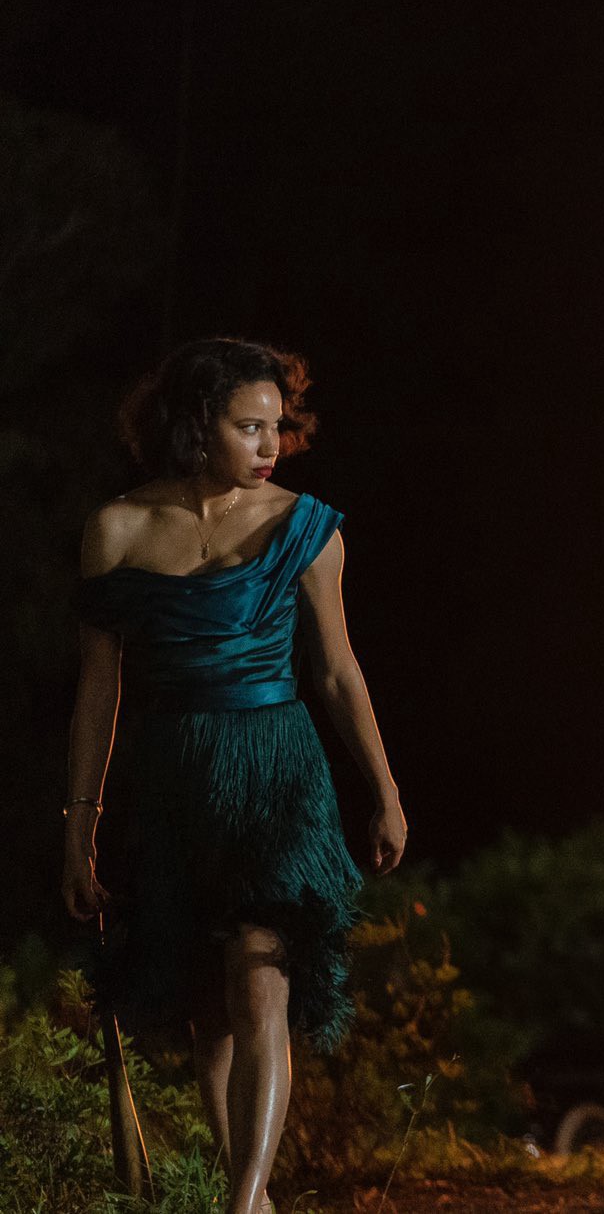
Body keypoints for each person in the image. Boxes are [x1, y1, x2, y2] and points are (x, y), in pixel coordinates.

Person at [59, 337, 407, 1214]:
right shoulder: (119, 529)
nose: (270, 445)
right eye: (248, 427)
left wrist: (385, 790)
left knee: (262, 981)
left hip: (280, 773)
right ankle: (248, 1194)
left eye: (277, 428)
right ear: (193, 425)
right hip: (175, 781)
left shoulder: (307, 528)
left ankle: (242, 1202)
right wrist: (79, 830)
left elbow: (336, 671)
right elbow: (99, 691)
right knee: (204, 1014)